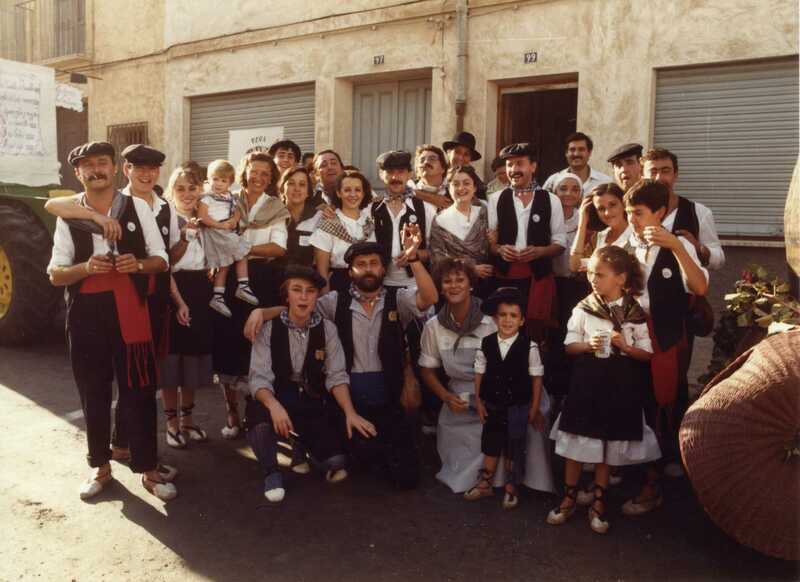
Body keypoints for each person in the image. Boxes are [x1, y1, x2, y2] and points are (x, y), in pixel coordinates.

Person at [245, 238, 439, 489]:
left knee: (407, 478)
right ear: (350, 272)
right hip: (353, 396)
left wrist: (413, 259)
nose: (368, 269)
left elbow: (430, 297)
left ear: (383, 269)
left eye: (373, 263)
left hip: (388, 397)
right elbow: (298, 308)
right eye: (361, 264)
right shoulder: (335, 301)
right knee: (360, 458)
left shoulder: (398, 299)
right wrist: (261, 312)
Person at [47, 141, 177, 501]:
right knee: (93, 391)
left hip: (130, 310)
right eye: (87, 166)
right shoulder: (70, 214)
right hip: (87, 313)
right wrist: (85, 268)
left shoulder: (136, 206)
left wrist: (136, 265)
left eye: (102, 162)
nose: (95, 170)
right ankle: (99, 466)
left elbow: (161, 259)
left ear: (114, 167)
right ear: (78, 173)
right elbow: (56, 274)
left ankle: (148, 468)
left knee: (138, 390)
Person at [547, 246, 660, 534]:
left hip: (620, 387)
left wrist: (625, 346)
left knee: (606, 447)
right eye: (591, 273)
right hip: (587, 384)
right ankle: (569, 497)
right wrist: (588, 345)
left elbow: (647, 354)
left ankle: (599, 500)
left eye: (600, 274)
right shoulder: (584, 308)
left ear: (621, 279)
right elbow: (569, 346)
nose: (593, 279)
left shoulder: (635, 312)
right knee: (576, 443)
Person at [418, 259, 554, 496]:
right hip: (459, 397)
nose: (454, 286)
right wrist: (446, 397)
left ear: (471, 284)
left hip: (505, 389)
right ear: (439, 288)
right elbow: (427, 370)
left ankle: (514, 480)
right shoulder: (433, 327)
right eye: (447, 281)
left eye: (460, 280)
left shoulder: (492, 321)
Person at [246, 265, 376, 502]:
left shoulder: (327, 329)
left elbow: (336, 376)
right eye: (297, 290)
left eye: (310, 291)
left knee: (336, 462)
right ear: (287, 295)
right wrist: (274, 406)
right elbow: (258, 376)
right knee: (259, 416)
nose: (304, 297)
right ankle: (271, 472)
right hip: (276, 395)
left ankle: (300, 444)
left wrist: (350, 413)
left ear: (318, 296)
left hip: (310, 399)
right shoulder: (268, 327)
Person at [621, 179, 709, 515]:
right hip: (633, 336)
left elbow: (699, 286)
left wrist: (676, 245)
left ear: (660, 212)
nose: (633, 220)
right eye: (630, 213)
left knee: (659, 406)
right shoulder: (632, 241)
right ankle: (637, 471)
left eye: (639, 214)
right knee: (635, 402)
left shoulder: (677, 243)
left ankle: (653, 486)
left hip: (665, 339)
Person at [213, 151, 288, 440]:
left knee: (255, 345)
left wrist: (242, 248)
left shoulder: (275, 206)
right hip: (227, 278)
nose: (258, 178)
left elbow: (278, 248)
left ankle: (256, 412)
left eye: (265, 174)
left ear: (271, 179)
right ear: (244, 172)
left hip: (261, 280)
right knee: (227, 346)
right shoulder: (227, 200)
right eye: (254, 172)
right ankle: (231, 412)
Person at [467, 287, 546, 510]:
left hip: (518, 406)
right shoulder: (487, 343)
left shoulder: (529, 346)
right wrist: (480, 401)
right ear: (495, 318)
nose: (507, 320)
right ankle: (486, 483)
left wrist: (535, 406)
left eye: (513, 316)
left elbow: (537, 378)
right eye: (503, 315)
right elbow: (479, 372)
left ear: (522, 321)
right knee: (491, 442)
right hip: (493, 402)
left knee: (514, 444)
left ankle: (512, 486)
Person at [488, 143, 567, 341]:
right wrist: (499, 250)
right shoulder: (496, 199)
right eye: (509, 165)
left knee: (534, 334)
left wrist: (540, 252)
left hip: (537, 277)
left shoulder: (551, 200)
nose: (514, 170)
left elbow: (560, 243)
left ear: (533, 166)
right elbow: (490, 243)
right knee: (505, 330)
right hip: (505, 276)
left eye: (519, 164)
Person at [159, 166, 213, 448]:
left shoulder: (205, 216)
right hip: (174, 288)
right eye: (180, 188)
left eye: (192, 188)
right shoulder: (167, 216)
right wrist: (185, 236)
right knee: (172, 358)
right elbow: (167, 262)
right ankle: (171, 423)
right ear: (172, 191)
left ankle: (188, 421)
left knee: (191, 359)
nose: (187, 193)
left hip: (200, 289)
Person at [547, 173, 591, 401]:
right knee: (553, 337)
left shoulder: (585, 220)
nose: (569, 194)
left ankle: (570, 391)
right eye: (563, 188)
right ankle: (553, 391)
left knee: (572, 334)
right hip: (551, 284)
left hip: (575, 287)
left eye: (575, 189)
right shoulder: (546, 217)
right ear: (554, 192)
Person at [642, 148, 724, 271]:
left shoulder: (699, 212)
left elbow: (719, 261)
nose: (659, 178)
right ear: (643, 177)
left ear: (675, 175)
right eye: (653, 172)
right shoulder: (632, 214)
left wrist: (698, 248)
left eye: (665, 171)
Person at [198, 159, 257, 318]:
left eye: (223, 180)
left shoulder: (230, 196)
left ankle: (218, 296)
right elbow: (202, 217)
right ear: (209, 179)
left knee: (225, 264)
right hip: (215, 231)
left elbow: (237, 210)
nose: (218, 183)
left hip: (225, 229)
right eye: (215, 179)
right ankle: (243, 285)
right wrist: (219, 225)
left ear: (230, 183)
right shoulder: (207, 198)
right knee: (242, 252)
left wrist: (234, 221)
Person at [371, 150, 436, 289]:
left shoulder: (426, 209)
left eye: (401, 171)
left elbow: (435, 251)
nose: (395, 177)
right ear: (381, 175)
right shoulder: (371, 209)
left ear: (410, 174)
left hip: (416, 286)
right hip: (379, 287)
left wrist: (415, 254)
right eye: (389, 172)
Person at [428, 165, 494, 298]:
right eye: (455, 184)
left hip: (485, 283)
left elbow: (493, 245)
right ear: (449, 188)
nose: (461, 188)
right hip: (454, 285)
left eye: (466, 183)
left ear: (474, 188)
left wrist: (494, 240)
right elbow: (437, 258)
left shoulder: (484, 212)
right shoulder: (440, 220)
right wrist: (471, 269)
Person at [311, 169, 375, 294]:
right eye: (347, 190)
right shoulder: (328, 223)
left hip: (368, 283)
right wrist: (326, 296)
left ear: (363, 193)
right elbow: (322, 270)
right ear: (339, 193)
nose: (353, 194)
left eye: (357, 190)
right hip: (339, 284)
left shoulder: (370, 223)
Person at [569, 183, 633, 274]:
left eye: (613, 205)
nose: (607, 213)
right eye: (601, 209)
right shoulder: (599, 236)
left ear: (623, 204)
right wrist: (582, 223)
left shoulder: (636, 235)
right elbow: (575, 266)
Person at [275, 166, 320, 269]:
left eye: (302, 184)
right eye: (291, 183)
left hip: (308, 277)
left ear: (308, 191)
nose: (297, 189)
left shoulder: (318, 217)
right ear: (282, 188)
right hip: (275, 276)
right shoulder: (273, 215)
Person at [543, 132, 612, 195]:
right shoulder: (553, 181)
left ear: (589, 153)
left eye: (581, 149)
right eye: (572, 150)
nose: (576, 154)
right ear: (566, 153)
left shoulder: (604, 182)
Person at [410, 144, 451, 209]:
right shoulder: (407, 189)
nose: (426, 162)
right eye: (422, 160)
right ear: (417, 170)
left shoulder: (453, 191)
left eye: (432, 159)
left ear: (443, 168)